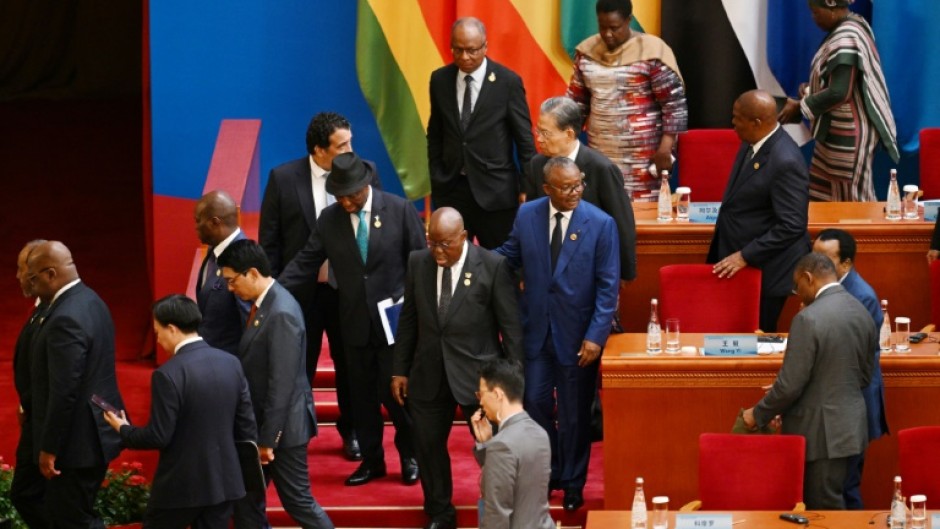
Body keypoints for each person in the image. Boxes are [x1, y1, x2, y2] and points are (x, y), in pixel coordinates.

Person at [279, 152, 425, 487]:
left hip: (395, 326)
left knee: (400, 399)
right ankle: (373, 462)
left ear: (366, 186)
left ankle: (410, 456)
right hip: (354, 325)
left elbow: (420, 265)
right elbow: (306, 262)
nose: (346, 201)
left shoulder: (399, 210)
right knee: (361, 400)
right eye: (340, 195)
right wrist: (271, 292)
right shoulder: (330, 219)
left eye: (352, 195)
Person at [495, 157, 619, 511]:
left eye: (579, 184)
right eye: (566, 187)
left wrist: (596, 335)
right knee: (534, 402)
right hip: (536, 332)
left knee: (575, 413)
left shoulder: (600, 224)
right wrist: (470, 260)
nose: (575, 192)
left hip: (578, 337)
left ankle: (574, 482)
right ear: (547, 189)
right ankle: (552, 471)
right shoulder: (528, 215)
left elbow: (608, 287)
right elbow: (508, 256)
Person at [391, 207, 523, 529]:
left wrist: (512, 383)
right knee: (427, 446)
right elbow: (408, 320)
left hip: (479, 377)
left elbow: (512, 329)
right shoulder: (418, 263)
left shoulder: (491, 266)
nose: (437, 251)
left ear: (463, 237)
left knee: (493, 449)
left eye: (445, 244)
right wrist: (400, 369)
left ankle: (502, 510)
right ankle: (439, 512)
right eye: (431, 242)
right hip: (428, 374)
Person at [259, 112, 378, 461]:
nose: (350, 151)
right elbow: (271, 242)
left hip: (350, 294)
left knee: (351, 366)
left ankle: (352, 431)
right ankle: (293, 433)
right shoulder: (283, 179)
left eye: (351, 142)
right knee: (298, 367)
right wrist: (275, 293)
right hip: (303, 296)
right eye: (342, 145)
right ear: (319, 150)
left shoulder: (365, 172)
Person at [103, 294, 257, 529]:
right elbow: (246, 425)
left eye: (158, 332)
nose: (158, 339)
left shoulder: (168, 374)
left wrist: (123, 429)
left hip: (181, 486)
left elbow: (159, 436)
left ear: (172, 329)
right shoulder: (231, 363)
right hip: (225, 482)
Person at [743, 253, 876, 509]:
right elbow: (862, 375)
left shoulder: (808, 318)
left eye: (797, 286)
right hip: (851, 428)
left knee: (824, 512)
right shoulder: (861, 308)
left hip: (821, 434)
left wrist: (758, 414)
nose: (797, 293)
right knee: (837, 501)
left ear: (808, 278)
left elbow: (790, 385)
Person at [217, 240, 334, 529]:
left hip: (283, 431)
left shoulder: (281, 312)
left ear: (252, 273)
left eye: (233, 281)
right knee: (246, 498)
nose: (231, 289)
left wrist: (269, 439)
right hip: (262, 425)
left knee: (298, 502)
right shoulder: (266, 304)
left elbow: (282, 384)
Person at [20, 240, 126, 528]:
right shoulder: (91, 300)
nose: (29, 285)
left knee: (71, 519)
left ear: (50, 274)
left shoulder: (64, 317)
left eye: (33, 277)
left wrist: (49, 447)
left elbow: (65, 390)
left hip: (77, 445)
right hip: (93, 432)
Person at [427, 17, 537, 248]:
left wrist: (528, 187)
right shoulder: (440, 80)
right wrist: (437, 176)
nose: (464, 57)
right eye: (458, 50)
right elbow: (435, 133)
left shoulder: (507, 82)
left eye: (472, 50)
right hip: (452, 190)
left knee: (502, 266)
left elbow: (524, 139)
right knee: (452, 265)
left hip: (495, 193)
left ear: (485, 47)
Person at [708, 89, 811, 332]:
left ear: (756, 122)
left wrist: (745, 255)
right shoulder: (753, 140)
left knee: (757, 335)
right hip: (744, 259)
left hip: (768, 269)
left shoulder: (785, 161)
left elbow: (793, 224)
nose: (732, 123)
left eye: (737, 117)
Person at [777, 0, 899, 202]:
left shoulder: (846, 39)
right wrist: (812, 88)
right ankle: (827, 235)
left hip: (848, 136)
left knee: (850, 201)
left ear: (832, 9)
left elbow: (839, 93)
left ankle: (856, 235)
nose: (813, 18)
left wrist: (800, 107)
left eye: (815, 12)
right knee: (824, 194)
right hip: (836, 131)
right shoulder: (853, 23)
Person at [566, 0, 687, 201]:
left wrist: (666, 147)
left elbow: (674, 106)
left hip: (644, 158)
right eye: (602, 27)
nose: (607, 34)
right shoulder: (586, 53)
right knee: (602, 209)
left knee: (640, 218)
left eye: (614, 28)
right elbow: (576, 104)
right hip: (599, 153)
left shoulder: (652, 52)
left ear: (628, 21)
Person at [813, 228, 888, 508]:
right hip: (836, 405)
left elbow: (853, 360)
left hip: (852, 405)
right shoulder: (821, 286)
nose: (815, 263)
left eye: (824, 258)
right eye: (813, 255)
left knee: (845, 485)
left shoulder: (862, 297)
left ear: (846, 263)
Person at [525, 96, 637, 282]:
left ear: (568, 134)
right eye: (538, 131)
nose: (539, 139)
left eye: (546, 133)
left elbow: (622, 224)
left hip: (591, 269)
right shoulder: (537, 165)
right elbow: (531, 218)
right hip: (547, 269)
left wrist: (624, 275)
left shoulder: (601, 168)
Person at [470, 359, 553, 529]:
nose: (480, 402)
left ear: (498, 395)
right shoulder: (540, 433)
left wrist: (492, 446)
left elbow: (497, 515)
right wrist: (487, 445)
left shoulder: (502, 445)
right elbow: (519, 483)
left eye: (482, 393)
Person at [10, 239, 48, 529]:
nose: (18, 276)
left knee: (27, 493)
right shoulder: (40, 308)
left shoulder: (56, 312)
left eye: (21, 269)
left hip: (46, 424)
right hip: (34, 415)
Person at [194, 190, 251, 356]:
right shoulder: (214, 252)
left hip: (231, 364)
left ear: (214, 222)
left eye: (198, 221)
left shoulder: (243, 259)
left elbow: (249, 323)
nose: (195, 227)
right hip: (210, 360)